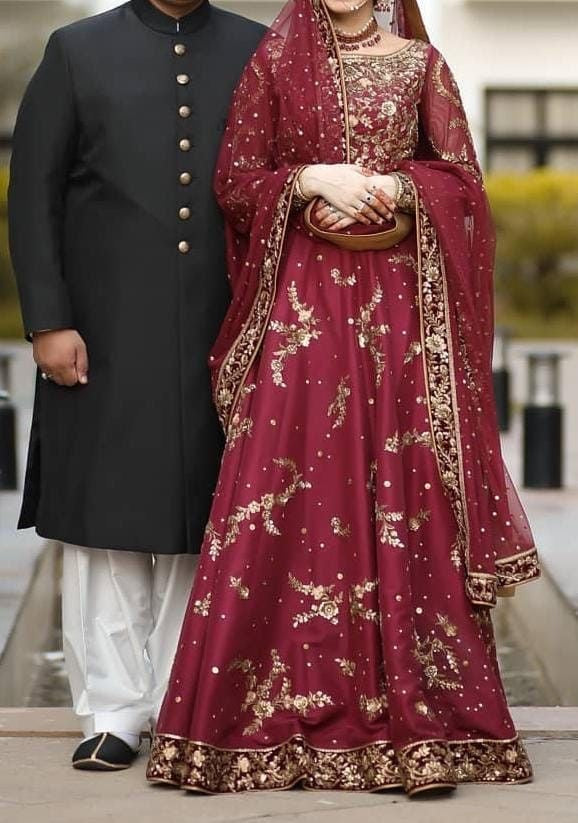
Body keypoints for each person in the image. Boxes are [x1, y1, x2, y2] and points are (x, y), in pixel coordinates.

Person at [146, 0, 541, 797]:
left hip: (399, 314)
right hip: (303, 309)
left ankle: (420, 721)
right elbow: (234, 182)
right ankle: (246, 722)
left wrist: (400, 188)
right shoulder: (274, 66)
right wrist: (305, 179)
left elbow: (464, 184)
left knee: (406, 486)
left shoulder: (420, 65)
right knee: (285, 480)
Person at [9, 0, 265, 770]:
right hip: (104, 330)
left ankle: (186, 702)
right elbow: (33, 196)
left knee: (205, 518)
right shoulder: (76, 50)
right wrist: (48, 320)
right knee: (107, 523)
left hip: (222, 330)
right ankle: (115, 712)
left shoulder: (259, 49)